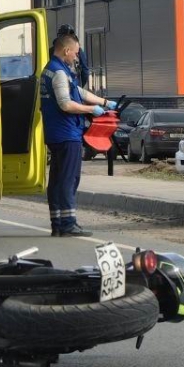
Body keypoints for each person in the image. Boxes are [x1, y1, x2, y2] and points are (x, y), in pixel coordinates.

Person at [40, 31, 117, 236]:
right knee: (69, 179)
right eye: (75, 53)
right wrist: (92, 110)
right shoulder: (58, 73)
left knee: (57, 179)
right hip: (67, 134)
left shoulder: (53, 70)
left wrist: (104, 102)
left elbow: (78, 92)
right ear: (66, 51)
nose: (76, 57)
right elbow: (66, 104)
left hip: (56, 134)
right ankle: (68, 224)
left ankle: (57, 222)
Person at [56, 23, 90, 88]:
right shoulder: (78, 50)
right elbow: (85, 71)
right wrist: (79, 87)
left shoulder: (52, 51)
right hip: (74, 89)